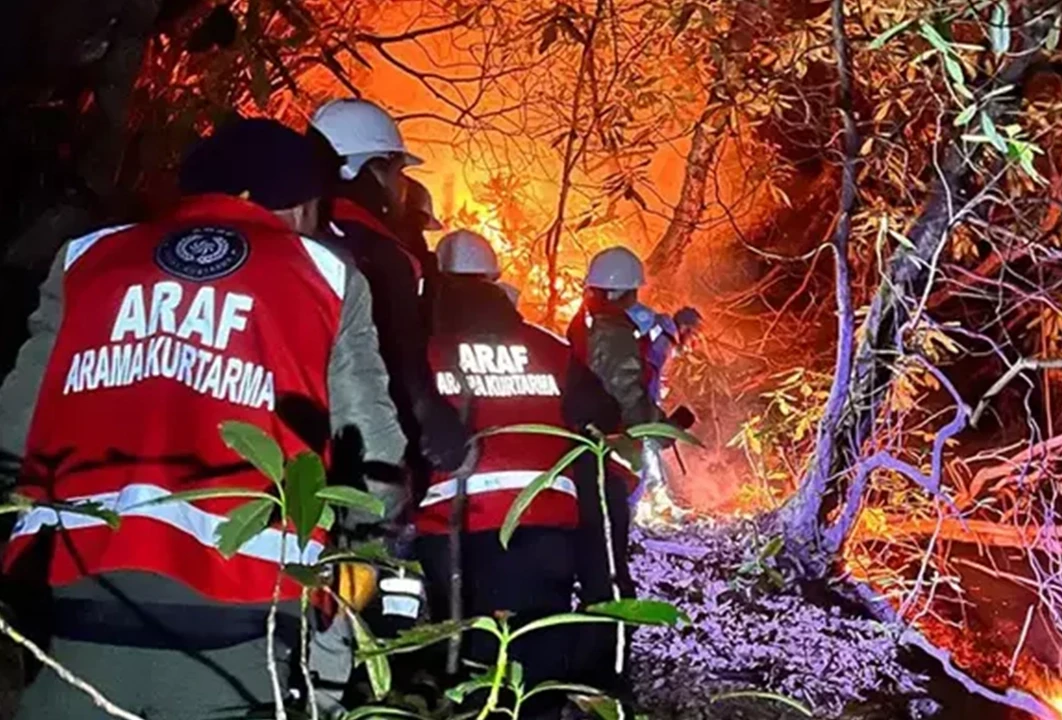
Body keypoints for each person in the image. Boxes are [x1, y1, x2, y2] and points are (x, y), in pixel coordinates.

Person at [0, 119, 407, 720]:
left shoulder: (86, 259)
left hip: (73, 585)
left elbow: (15, 423)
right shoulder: (322, 273)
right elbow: (374, 453)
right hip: (243, 602)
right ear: (297, 205)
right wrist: (372, 551)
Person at [415, 239, 620, 719]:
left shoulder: (425, 354)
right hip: (543, 525)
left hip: (456, 532)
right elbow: (603, 412)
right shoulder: (547, 348)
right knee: (539, 658)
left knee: (470, 661)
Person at [309, 98, 468, 485]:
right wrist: (431, 416)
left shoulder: (295, 234)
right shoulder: (380, 251)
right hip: (358, 446)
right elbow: (397, 353)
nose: (401, 188)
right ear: (372, 171)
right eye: (397, 172)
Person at [566, 247, 695, 523]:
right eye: (634, 292)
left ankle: (649, 502)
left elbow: (651, 346)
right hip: (612, 433)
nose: (637, 299)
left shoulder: (591, 321)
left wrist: (675, 330)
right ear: (617, 293)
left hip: (595, 425)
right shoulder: (613, 334)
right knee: (621, 492)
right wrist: (662, 429)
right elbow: (627, 395)